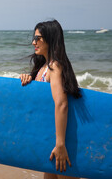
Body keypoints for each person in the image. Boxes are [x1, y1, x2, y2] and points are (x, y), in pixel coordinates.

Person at [19, 19, 81, 179]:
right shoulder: (43, 68)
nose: (34, 42)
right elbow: (43, 100)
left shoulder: (55, 67)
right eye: (34, 38)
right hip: (50, 138)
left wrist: (61, 144)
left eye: (38, 38)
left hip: (61, 141)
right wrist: (28, 79)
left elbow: (62, 104)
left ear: (51, 39)